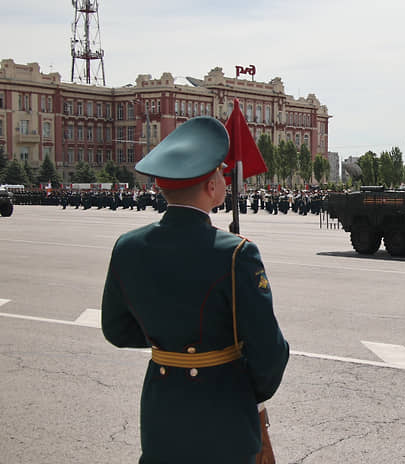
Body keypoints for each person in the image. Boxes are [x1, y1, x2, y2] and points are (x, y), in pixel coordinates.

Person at [101, 116, 289, 464]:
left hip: (162, 412)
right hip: (224, 416)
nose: (223, 178)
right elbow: (269, 352)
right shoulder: (236, 253)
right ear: (210, 186)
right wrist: (247, 391)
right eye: (219, 172)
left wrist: (170, 339)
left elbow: (116, 329)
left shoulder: (127, 246)